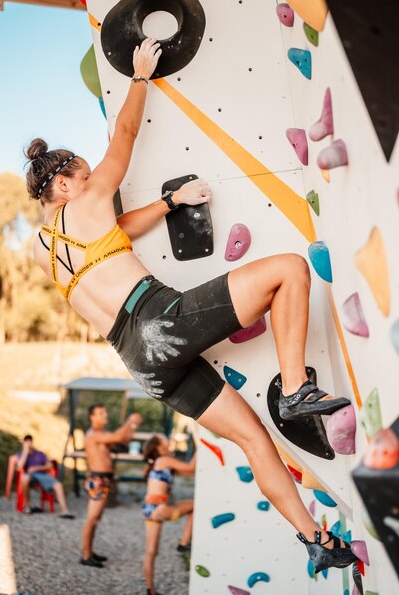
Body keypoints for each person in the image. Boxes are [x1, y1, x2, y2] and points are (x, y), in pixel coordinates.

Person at [24, 37, 357, 573]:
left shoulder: (43, 249)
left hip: (139, 364)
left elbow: (112, 236)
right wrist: (138, 77)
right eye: (84, 176)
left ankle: (313, 539)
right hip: (157, 322)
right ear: (63, 184)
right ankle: (295, 391)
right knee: (291, 269)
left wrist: (170, 202)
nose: (94, 182)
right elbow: (125, 138)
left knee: (253, 438)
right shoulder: (84, 200)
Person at [81, 403, 142, 568]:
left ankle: (90, 552)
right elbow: (117, 437)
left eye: (105, 413)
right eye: (100, 413)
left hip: (104, 479)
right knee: (92, 519)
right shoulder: (93, 435)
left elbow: (124, 438)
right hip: (98, 479)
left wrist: (134, 424)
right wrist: (130, 421)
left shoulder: (102, 433)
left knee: (96, 518)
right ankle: (86, 555)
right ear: (91, 417)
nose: (105, 416)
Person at [142, 435, 195, 595]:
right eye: (162, 438)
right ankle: (184, 541)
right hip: (161, 507)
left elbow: (188, 472)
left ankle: (151, 590)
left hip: (150, 509)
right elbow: (190, 468)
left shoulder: (160, 464)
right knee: (197, 504)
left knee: (151, 551)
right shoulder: (164, 460)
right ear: (159, 447)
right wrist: (202, 446)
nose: (167, 438)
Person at [16, 434, 74, 518]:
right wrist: (25, 451)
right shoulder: (21, 454)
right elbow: (19, 467)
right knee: (24, 478)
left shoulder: (40, 454)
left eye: (30, 441)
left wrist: (36, 468)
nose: (29, 443)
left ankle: (64, 511)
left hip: (42, 475)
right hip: (29, 476)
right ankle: (27, 507)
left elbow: (50, 466)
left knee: (58, 485)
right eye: (26, 441)